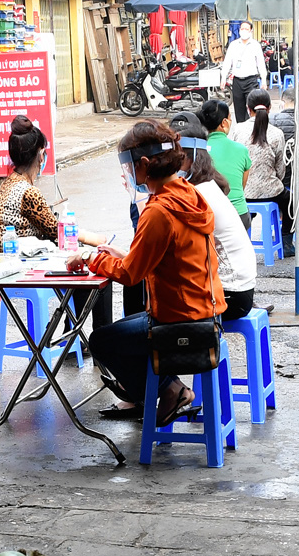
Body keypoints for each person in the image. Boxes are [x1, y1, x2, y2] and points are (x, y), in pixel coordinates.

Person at [67, 120, 225, 428]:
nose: (127, 174)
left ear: (142, 164)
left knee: (101, 341)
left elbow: (130, 275)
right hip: (204, 309)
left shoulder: (158, 210)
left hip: (182, 320)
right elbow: (161, 258)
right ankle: (166, 388)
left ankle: (169, 389)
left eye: (128, 166)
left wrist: (89, 257)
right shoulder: (187, 193)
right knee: (123, 330)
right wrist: (120, 257)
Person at [170, 113, 258, 321]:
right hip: (239, 288)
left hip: (230, 295)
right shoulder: (207, 184)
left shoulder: (197, 193)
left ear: (187, 157)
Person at [237, 87, 296, 249]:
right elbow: (280, 169)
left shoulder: (237, 130)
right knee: (291, 202)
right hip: (271, 191)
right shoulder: (277, 133)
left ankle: (242, 242)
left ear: (249, 109)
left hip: (244, 191)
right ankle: (287, 244)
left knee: (248, 209)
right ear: (269, 108)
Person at [0, 114, 60, 245]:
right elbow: (58, 230)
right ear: (40, 155)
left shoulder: (9, 183)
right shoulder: (28, 192)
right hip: (22, 259)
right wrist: (95, 240)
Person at [199, 98, 252, 227]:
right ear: (224, 123)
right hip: (239, 215)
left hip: (207, 217)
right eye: (229, 117)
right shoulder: (241, 149)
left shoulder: (198, 150)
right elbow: (241, 186)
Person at [221, 22, 264, 123]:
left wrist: (264, 79)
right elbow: (227, 62)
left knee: (251, 107)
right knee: (239, 109)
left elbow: (261, 63)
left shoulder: (255, 45)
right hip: (237, 81)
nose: (244, 31)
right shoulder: (233, 45)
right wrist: (223, 78)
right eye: (242, 29)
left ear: (251, 31)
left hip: (251, 80)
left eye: (246, 29)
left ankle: (252, 130)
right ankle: (240, 130)